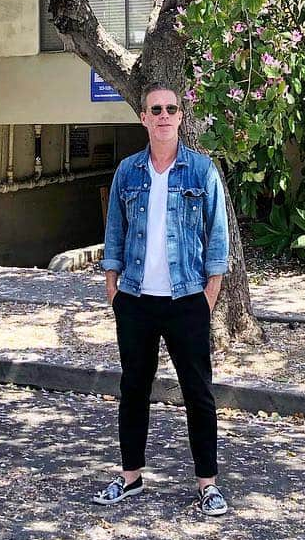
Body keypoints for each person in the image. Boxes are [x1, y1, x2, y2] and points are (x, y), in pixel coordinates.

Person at [94, 85, 230, 517]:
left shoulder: (202, 171)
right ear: (144, 118)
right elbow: (113, 232)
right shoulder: (128, 172)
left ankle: (207, 485)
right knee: (133, 389)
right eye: (156, 109)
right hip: (134, 300)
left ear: (180, 115)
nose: (164, 115)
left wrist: (208, 296)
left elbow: (218, 240)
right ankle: (130, 477)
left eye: (172, 108)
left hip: (187, 299)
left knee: (198, 392)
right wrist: (112, 287)